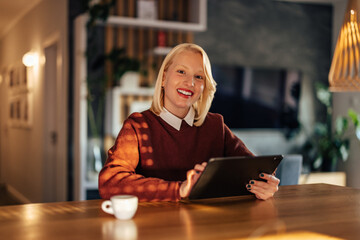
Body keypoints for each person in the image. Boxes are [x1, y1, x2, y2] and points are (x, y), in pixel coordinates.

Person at [98, 43, 280, 202]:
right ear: (163, 78)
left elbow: (258, 169)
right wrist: (179, 189)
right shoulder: (137, 125)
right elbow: (110, 182)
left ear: (204, 87)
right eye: (181, 72)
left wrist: (267, 183)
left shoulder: (215, 125)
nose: (190, 82)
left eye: (199, 77)